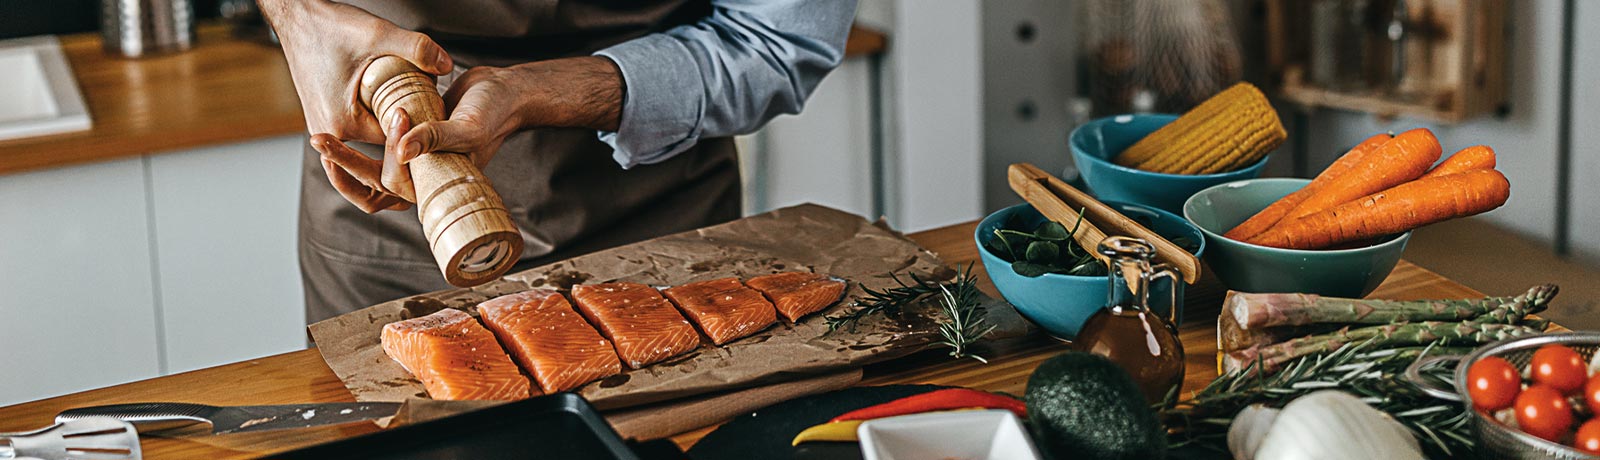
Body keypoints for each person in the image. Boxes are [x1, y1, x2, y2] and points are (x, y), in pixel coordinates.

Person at [257, 0, 858, 322]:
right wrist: (295, 15)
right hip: (387, 218)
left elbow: (777, 42)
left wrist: (531, 93)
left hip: (658, 209)